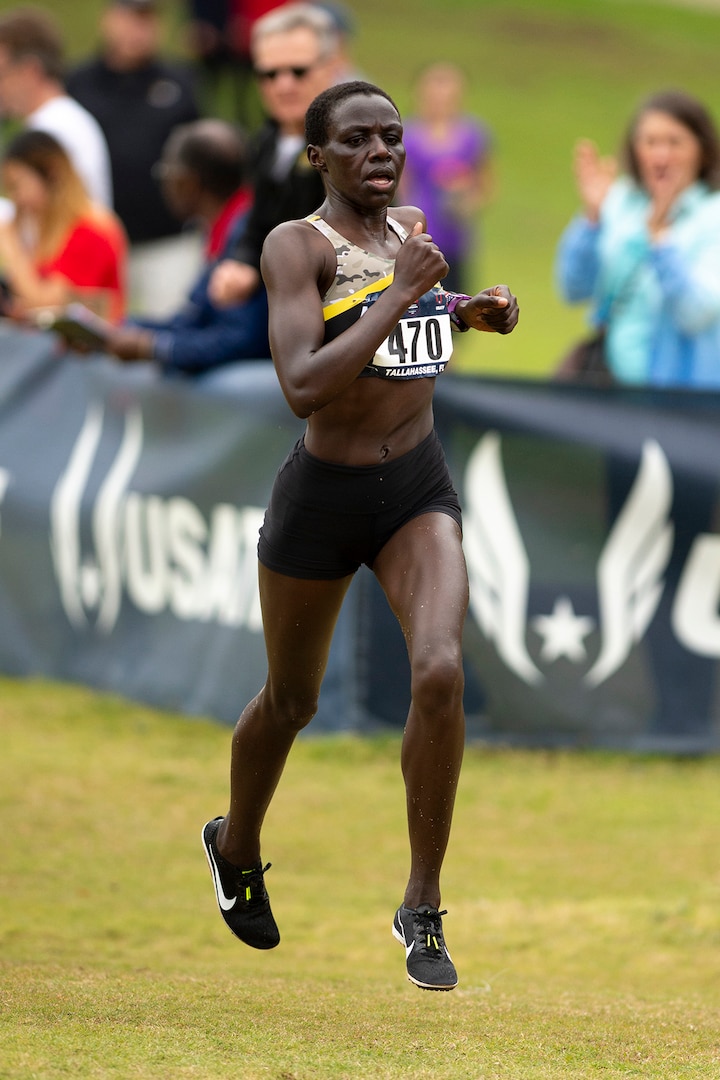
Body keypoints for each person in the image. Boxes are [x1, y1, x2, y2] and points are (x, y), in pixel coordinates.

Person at [201, 80, 519, 991]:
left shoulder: (409, 230)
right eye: (358, 141)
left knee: (440, 670)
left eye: (392, 137)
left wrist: (466, 312)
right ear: (318, 158)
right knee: (290, 702)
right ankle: (236, 844)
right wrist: (404, 290)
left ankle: (421, 904)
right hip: (323, 497)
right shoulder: (294, 246)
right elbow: (303, 380)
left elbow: (408, 324)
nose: (382, 153)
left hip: (415, 485)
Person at [555, 88, 720, 387]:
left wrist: (661, 242)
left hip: (684, 396)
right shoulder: (621, 201)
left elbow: (697, 314)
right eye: (651, 142)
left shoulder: (712, 213)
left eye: (675, 142)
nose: (662, 155)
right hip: (612, 383)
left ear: (703, 149)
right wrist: (591, 220)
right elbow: (573, 288)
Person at [67, 0, 203, 318]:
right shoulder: (79, 82)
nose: (137, 30)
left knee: (171, 330)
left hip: (168, 238)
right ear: (108, 20)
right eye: (129, 18)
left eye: (146, 19)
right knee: (94, 339)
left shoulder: (180, 81)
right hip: (98, 242)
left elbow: (200, 150)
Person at [103, 118, 270, 374]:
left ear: (187, 182)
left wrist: (154, 347)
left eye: (165, 172)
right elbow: (193, 321)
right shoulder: (227, 226)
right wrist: (121, 328)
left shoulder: (246, 234)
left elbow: (240, 339)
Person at [208, 2, 343, 308]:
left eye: (298, 71)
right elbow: (258, 224)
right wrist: (240, 264)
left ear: (332, 66)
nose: (283, 85)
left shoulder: (350, 145)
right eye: (269, 74)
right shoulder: (267, 140)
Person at [0, 129, 127, 323]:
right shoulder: (54, 231)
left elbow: (46, 305)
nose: (16, 199)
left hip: (90, 350)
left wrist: (11, 244)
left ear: (51, 173)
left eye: (18, 185)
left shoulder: (92, 230)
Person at [0, 6, 112, 208]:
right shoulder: (62, 122)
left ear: (30, 71)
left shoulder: (56, 129)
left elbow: (49, 221)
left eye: (2, 73)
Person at [400, 62, 494, 294]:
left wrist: (465, 202)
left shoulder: (473, 134)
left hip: (457, 240)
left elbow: (485, 185)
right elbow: (401, 189)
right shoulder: (408, 135)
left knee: (457, 307)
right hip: (420, 236)